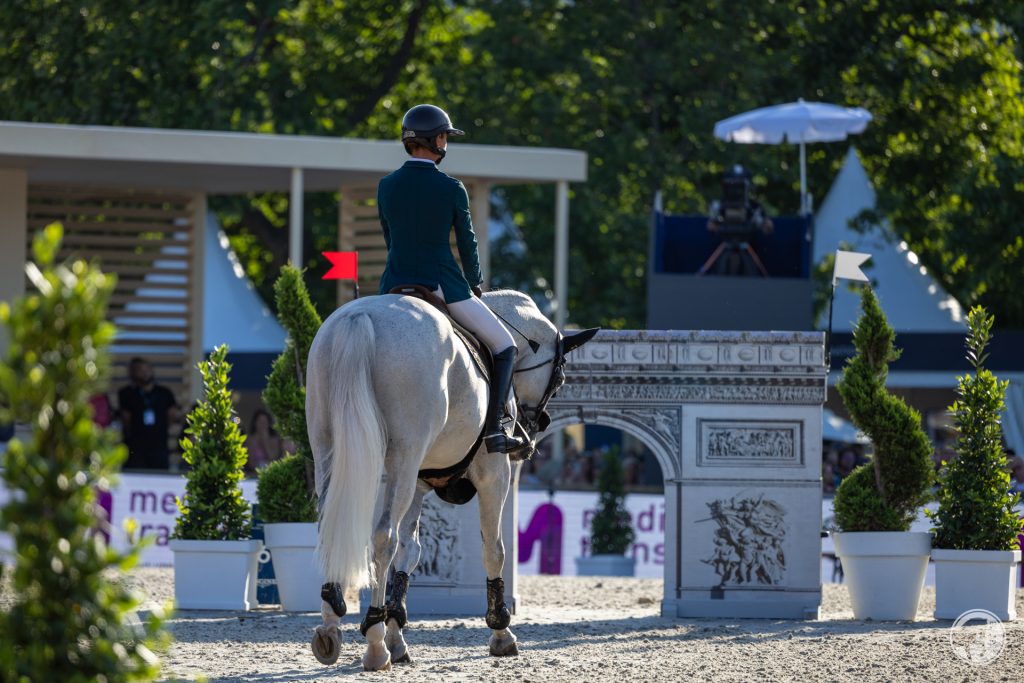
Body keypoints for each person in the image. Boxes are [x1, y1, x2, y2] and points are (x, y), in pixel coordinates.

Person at [377, 103, 526, 455]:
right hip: (442, 283)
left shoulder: (386, 186)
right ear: (436, 139)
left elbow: (390, 239)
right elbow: (467, 243)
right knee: (506, 346)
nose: (447, 142)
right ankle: (494, 431)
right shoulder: (451, 188)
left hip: (393, 284)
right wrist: (475, 283)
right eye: (445, 136)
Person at [118, 357, 181, 470]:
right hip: (135, 448)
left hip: (159, 447)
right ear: (132, 373)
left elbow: (172, 415)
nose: (144, 373)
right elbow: (126, 419)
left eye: (147, 369)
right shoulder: (127, 394)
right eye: (140, 370)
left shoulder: (164, 393)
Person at [245, 408, 286, 473]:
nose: (262, 424)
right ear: (255, 423)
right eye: (260, 421)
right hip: (254, 474)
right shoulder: (249, 439)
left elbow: (273, 459)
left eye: (265, 421)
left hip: (271, 472)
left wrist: (265, 441)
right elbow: (250, 463)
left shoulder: (275, 439)